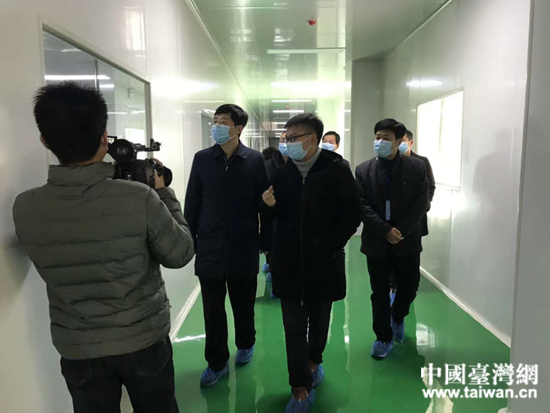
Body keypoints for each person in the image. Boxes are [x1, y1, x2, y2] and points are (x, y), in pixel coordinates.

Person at [12, 82, 195, 413]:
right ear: (104, 139)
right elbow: (180, 253)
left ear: (44, 140)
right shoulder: (139, 198)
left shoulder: (25, 207)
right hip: (143, 339)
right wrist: (164, 195)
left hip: (79, 348)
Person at [262, 114, 361, 413]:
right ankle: (299, 388)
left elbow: (352, 214)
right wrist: (269, 207)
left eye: (294, 137)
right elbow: (275, 218)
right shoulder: (282, 173)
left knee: (319, 323)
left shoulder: (337, 170)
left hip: (324, 263)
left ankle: (314, 361)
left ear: (313, 139)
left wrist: (331, 245)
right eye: (286, 138)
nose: (288, 143)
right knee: (293, 328)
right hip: (289, 264)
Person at [184, 104, 270, 387]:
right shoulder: (202, 159)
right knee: (212, 310)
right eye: (215, 121)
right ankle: (216, 362)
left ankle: (246, 343)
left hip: (243, 245)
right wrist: (189, 239)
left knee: (243, 305)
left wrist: (266, 241)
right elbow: (193, 202)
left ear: (238, 128)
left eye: (223, 122)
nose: (217, 126)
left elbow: (264, 204)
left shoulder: (254, 160)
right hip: (209, 245)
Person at [355, 118, 429, 359]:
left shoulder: (416, 167)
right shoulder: (364, 170)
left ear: (398, 142)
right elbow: (361, 204)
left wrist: (401, 230)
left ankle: (397, 315)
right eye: (377, 137)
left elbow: (422, 202)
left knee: (409, 286)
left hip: (407, 240)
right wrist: (384, 229)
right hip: (377, 240)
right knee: (379, 291)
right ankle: (383, 337)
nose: (380, 142)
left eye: (386, 138)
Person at [262, 131, 288, 288]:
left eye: (290, 139)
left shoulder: (304, 168)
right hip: (273, 221)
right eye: (283, 140)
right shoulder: (267, 167)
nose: (285, 143)